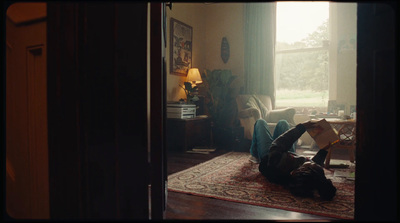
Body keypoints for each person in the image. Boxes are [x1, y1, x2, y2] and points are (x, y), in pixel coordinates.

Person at [250, 119, 337, 200]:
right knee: (283, 123)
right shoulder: (306, 179)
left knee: (260, 122)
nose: (310, 161)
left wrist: (301, 127)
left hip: (270, 155)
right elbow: (315, 165)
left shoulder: (278, 164)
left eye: (310, 164)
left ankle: (254, 152)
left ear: (299, 169)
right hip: (285, 154)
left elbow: (278, 144)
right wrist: (324, 150)